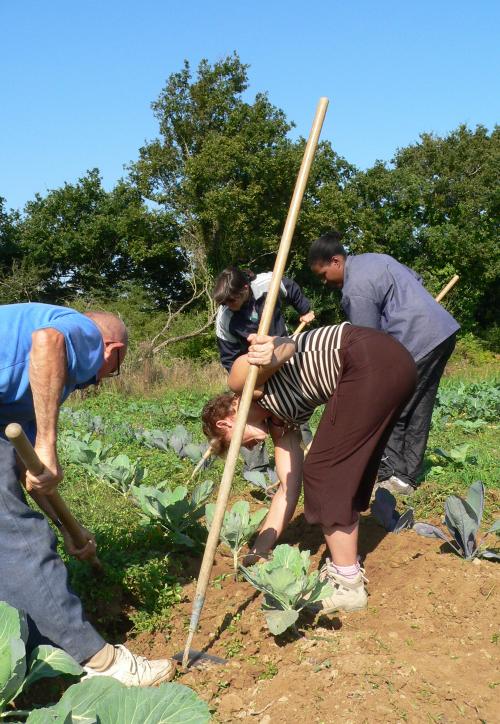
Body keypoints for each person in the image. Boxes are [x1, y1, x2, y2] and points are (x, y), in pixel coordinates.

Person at [0, 302, 175, 686]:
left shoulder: (19, 383)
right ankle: (100, 663)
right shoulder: (81, 330)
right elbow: (49, 342)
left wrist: (67, 526)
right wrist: (48, 443)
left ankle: (30, 647)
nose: (102, 379)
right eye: (113, 371)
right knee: (18, 540)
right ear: (113, 353)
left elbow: (34, 474)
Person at [202, 324, 416, 612]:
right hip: (396, 364)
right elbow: (287, 492)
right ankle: (344, 567)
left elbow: (287, 344)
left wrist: (272, 352)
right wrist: (260, 550)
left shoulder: (243, 382)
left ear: (225, 423)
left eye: (236, 444)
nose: (249, 450)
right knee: (347, 466)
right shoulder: (282, 424)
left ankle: (347, 585)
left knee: (324, 469)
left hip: (364, 356)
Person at [308, 231, 460, 495]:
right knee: (418, 406)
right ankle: (406, 477)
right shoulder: (376, 259)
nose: (324, 282)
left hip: (416, 339)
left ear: (335, 261)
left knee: (389, 407)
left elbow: (369, 344)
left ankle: (392, 473)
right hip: (441, 331)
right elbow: (416, 279)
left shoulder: (355, 290)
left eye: (323, 274)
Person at [214, 266, 315, 472]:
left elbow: (291, 287)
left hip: (283, 357)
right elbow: (229, 358)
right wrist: (247, 385)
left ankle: (308, 459)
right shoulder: (225, 319)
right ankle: (256, 469)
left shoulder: (268, 282)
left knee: (292, 407)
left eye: (231, 300)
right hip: (254, 370)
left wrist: (304, 310)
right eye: (224, 303)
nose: (228, 306)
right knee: (252, 416)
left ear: (244, 289)